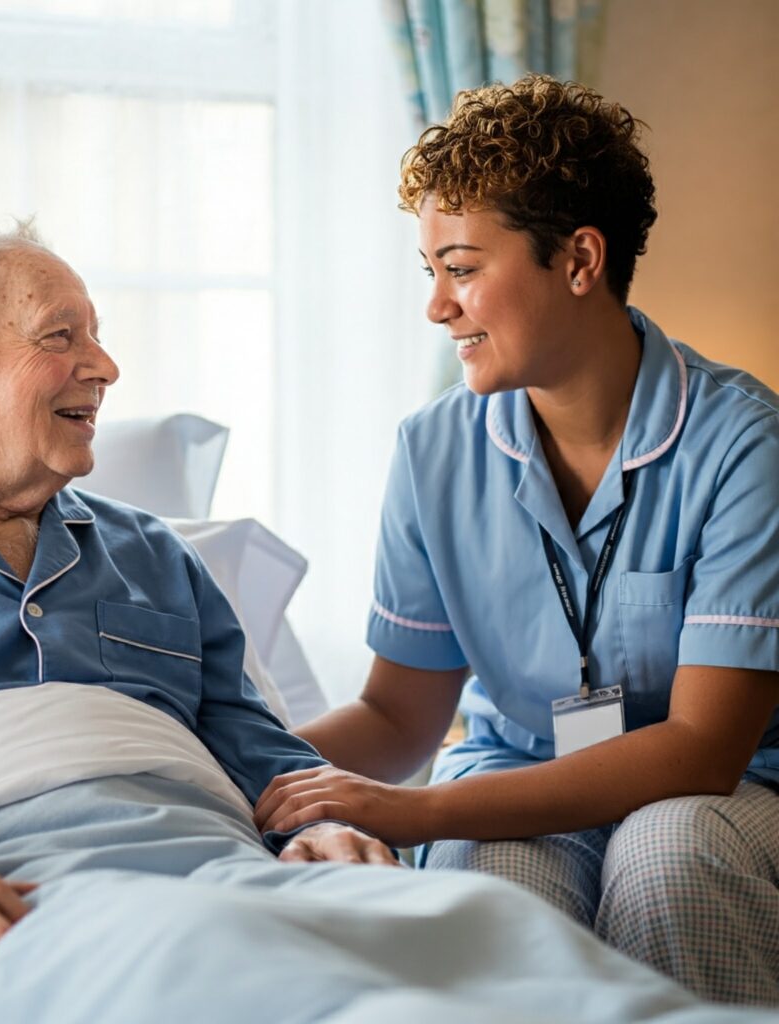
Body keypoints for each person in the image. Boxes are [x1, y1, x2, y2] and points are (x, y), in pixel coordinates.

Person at [0, 221, 396, 991]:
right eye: (61, 336)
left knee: (480, 929)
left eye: (96, 336)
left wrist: (324, 824)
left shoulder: (155, 555)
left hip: (219, 867)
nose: (106, 366)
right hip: (14, 896)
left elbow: (254, 743)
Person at [254, 74, 779, 1006]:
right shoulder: (433, 449)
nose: (438, 308)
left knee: (669, 853)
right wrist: (251, 772)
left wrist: (418, 808)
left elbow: (703, 748)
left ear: (579, 260)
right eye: (432, 274)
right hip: (513, 777)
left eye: (461, 268)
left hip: (728, 797)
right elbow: (399, 718)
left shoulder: (745, 443)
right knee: (490, 888)